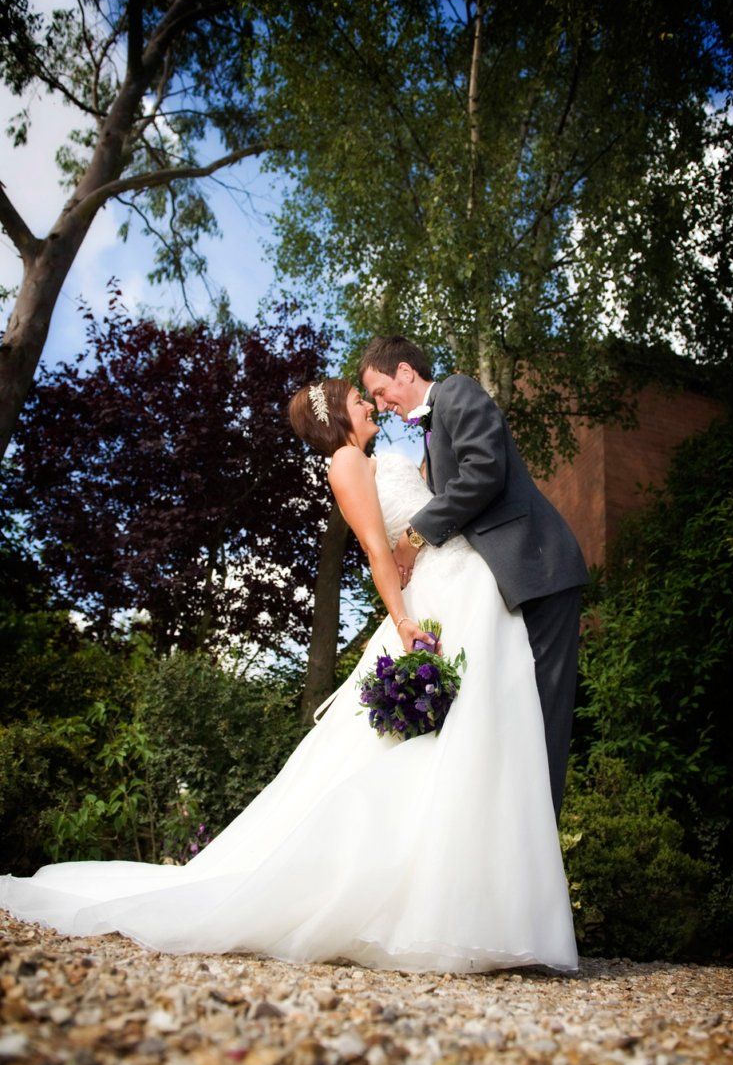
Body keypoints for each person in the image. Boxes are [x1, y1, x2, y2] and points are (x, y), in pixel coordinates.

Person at [0, 374, 577, 975]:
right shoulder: (347, 464)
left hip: (466, 591)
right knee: (426, 748)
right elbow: (379, 552)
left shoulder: (380, 457)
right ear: (338, 418)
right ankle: (426, 906)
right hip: (431, 604)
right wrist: (403, 623)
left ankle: (471, 901)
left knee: (470, 740)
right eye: (361, 401)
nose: (371, 405)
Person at [359, 336, 588, 821]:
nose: (381, 405)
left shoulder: (458, 391)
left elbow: (484, 472)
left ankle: (537, 839)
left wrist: (413, 538)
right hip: (509, 582)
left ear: (404, 371)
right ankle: (515, 830)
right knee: (516, 706)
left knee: (543, 712)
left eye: (381, 391)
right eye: (374, 399)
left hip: (538, 569)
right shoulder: (430, 428)